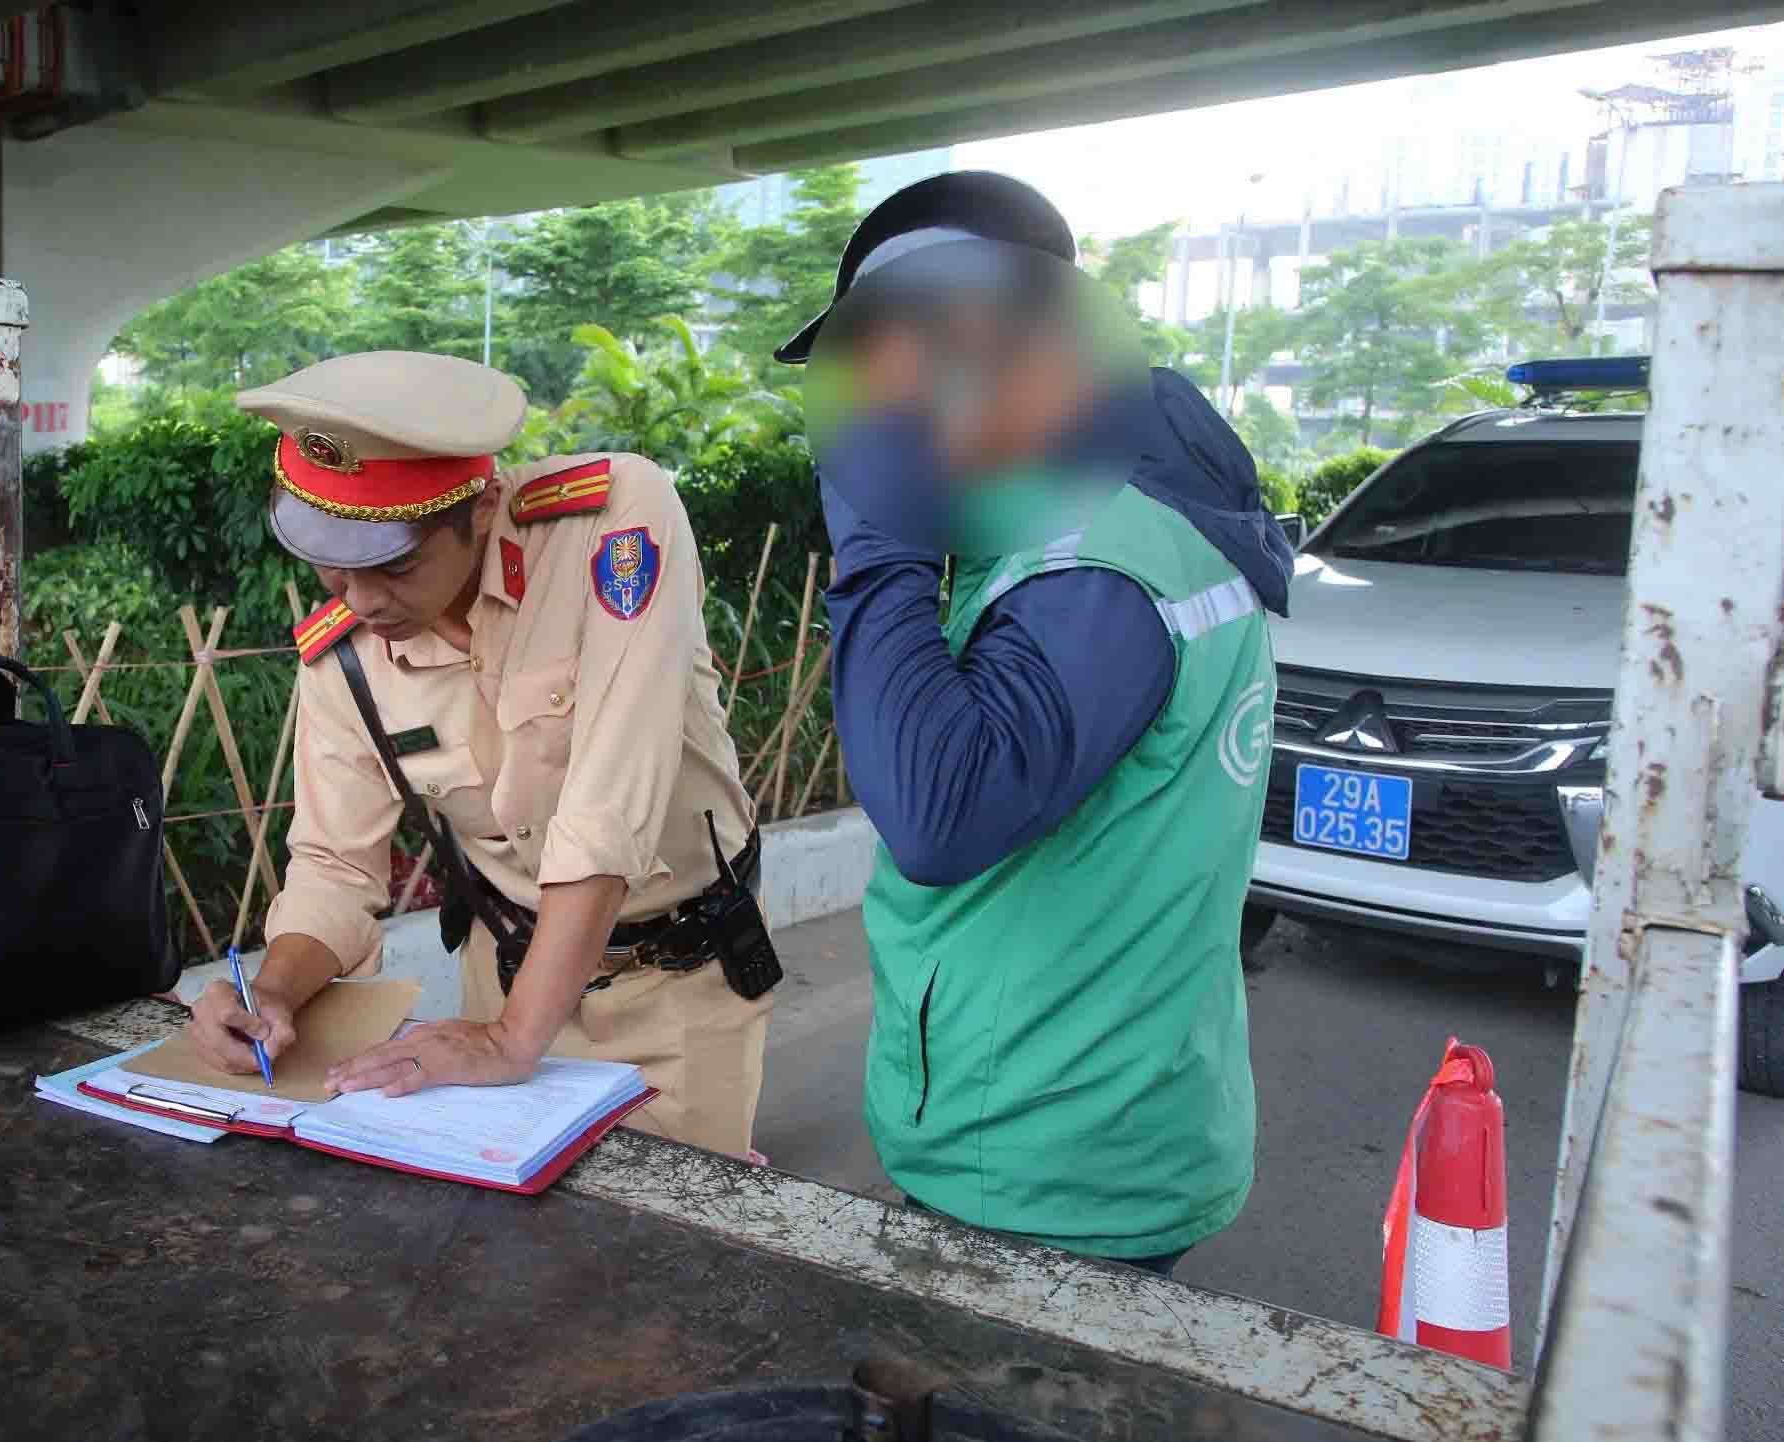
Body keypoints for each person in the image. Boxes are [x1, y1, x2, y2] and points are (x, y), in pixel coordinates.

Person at [777, 172, 1293, 1274]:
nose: (878, 394)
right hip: (1071, 1121)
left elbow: (937, 810)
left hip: (1050, 1169)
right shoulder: (1099, 516)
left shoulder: (1096, 559)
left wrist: (878, 544)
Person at [183, 350, 777, 1160]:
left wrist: (509, 1040)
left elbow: (606, 808)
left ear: (482, 505)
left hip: (675, 983)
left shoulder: (611, 520)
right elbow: (334, 865)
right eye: (333, 565)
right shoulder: (342, 656)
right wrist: (271, 992)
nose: (359, 601)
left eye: (393, 565)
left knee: (673, 1241)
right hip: (501, 973)